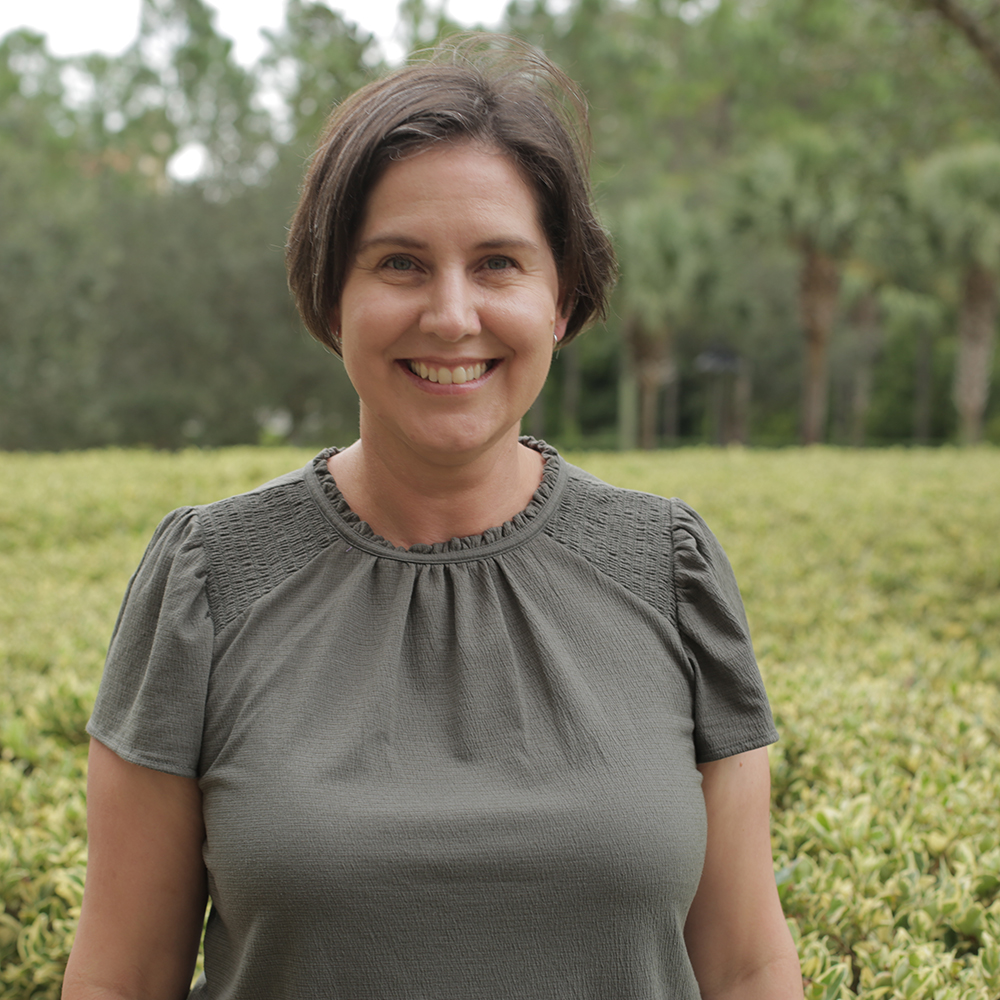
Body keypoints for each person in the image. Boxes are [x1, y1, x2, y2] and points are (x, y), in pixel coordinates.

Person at [63, 34, 804, 1000]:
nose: (452, 316)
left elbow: (745, 965)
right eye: (401, 264)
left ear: (564, 299)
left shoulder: (669, 570)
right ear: (332, 295)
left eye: (498, 264)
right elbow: (123, 976)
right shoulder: (209, 579)